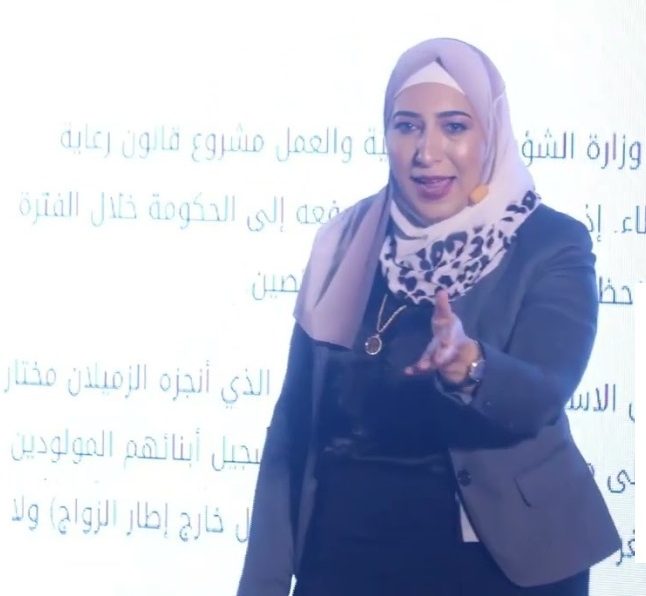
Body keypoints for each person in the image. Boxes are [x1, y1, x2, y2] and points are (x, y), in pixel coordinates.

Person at [236, 37, 620, 596]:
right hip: (344, 558)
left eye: (454, 127)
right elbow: (295, 427)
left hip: (492, 566)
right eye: (407, 126)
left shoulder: (549, 242)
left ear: (490, 134)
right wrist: (264, 581)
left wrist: (472, 367)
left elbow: (543, 391)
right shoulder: (344, 241)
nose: (427, 151)